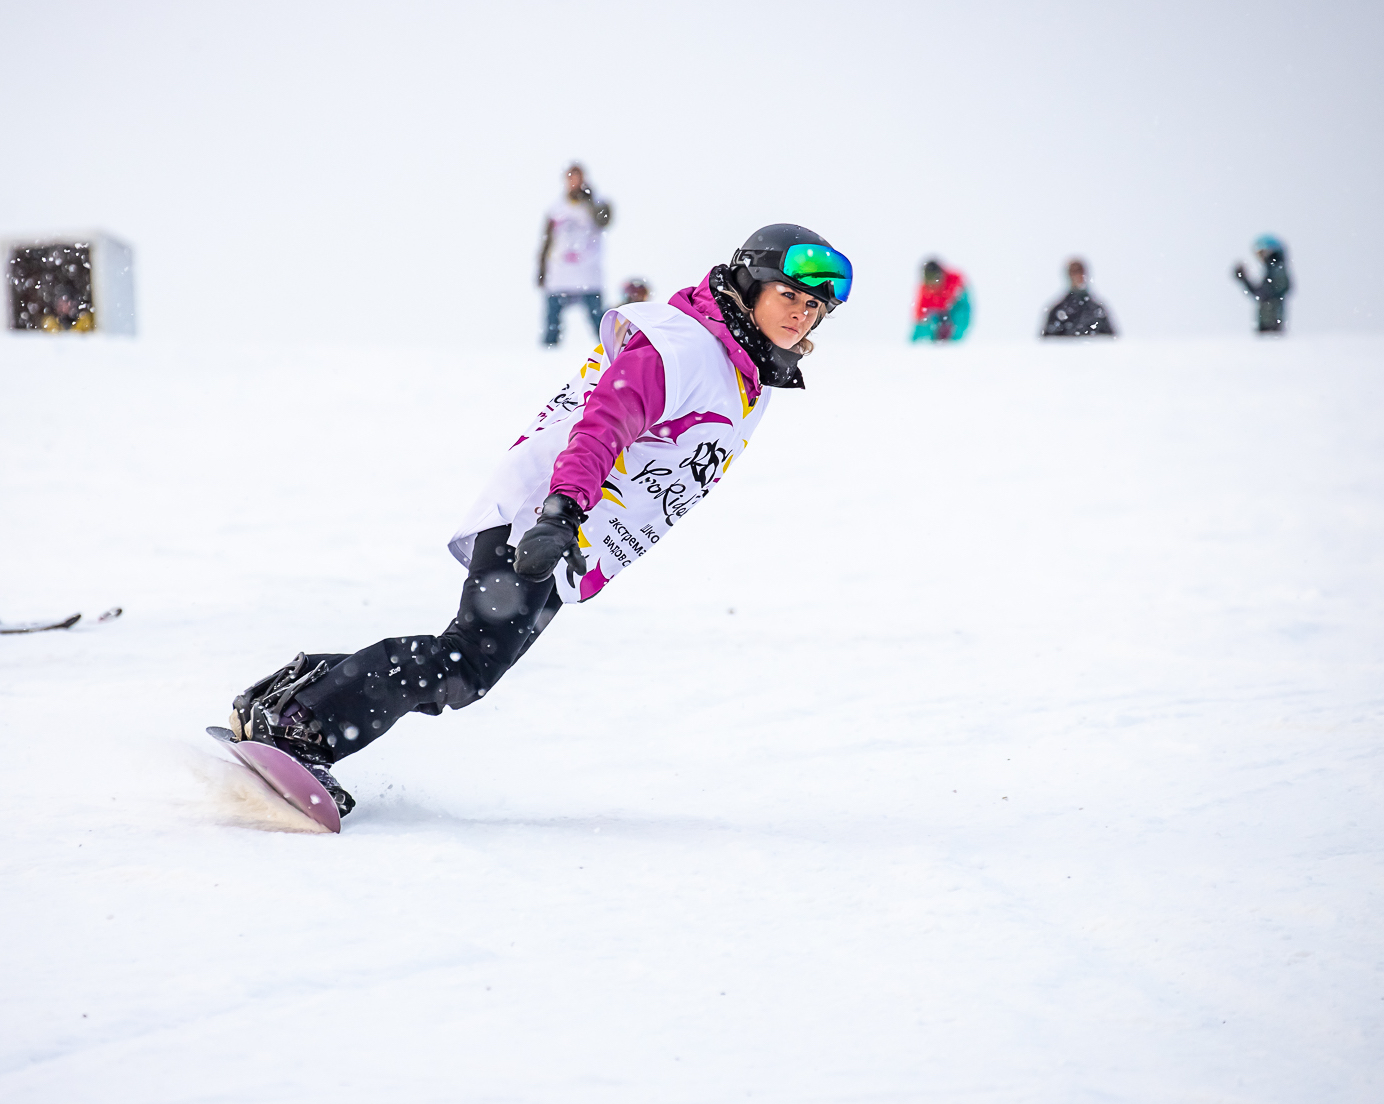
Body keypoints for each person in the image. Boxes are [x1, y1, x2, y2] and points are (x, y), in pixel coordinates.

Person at [223, 224, 854, 816]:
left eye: (815, 308)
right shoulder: (687, 349)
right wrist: (561, 514)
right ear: (747, 286)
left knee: (465, 667)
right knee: (464, 664)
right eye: (790, 295)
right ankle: (303, 726)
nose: (801, 314)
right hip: (547, 516)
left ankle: (290, 701)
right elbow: (604, 422)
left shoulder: (744, 373)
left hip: (571, 535)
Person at [539, 163, 612, 346]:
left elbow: (604, 220)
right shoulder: (556, 209)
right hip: (560, 275)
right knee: (552, 326)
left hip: (588, 275)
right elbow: (547, 240)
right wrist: (541, 269)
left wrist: (589, 199)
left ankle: (610, 355)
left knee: (599, 324)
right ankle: (546, 360)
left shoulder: (595, 204)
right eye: (571, 178)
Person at [1041, 258, 1116, 338]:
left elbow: (1109, 341)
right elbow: (1049, 343)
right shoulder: (1057, 311)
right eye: (1074, 272)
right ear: (1069, 276)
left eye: (1080, 272)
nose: (1078, 276)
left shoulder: (1098, 310)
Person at [1233, 235, 1292, 334]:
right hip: (1269, 324)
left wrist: (1244, 279)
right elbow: (1262, 294)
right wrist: (1244, 279)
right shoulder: (1274, 269)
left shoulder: (1276, 269)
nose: (1260, 257)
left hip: (1271, 325)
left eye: (1261, 253)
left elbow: (1265, 294)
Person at [911, 258, 970, 342]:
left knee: (958, 317)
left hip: (955, 311)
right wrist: (913, 342)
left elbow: (963, 312)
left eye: (935, 282)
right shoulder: (925, 291)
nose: (932, 286)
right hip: (938, 316)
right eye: (929, 283)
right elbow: (919, 318)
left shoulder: (954, 280)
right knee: (926, 323)